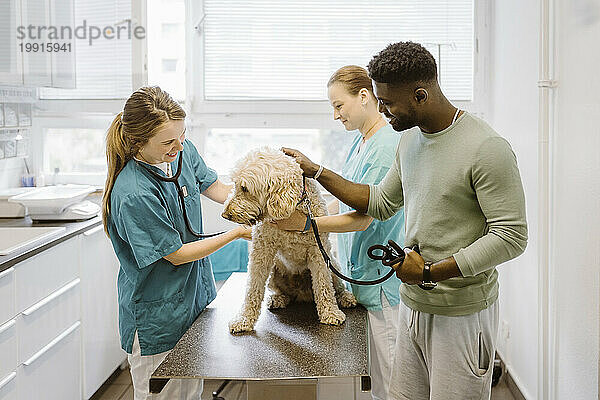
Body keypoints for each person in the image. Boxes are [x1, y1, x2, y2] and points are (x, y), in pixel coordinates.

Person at [282, 42, 528, 400]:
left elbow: (512, 235)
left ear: (420, 95)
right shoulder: (409, 139)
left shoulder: (486, 147)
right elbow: (381, 202)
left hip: (461, 314)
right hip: (413, 303)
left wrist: (431, 272)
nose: (382, 110)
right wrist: (317, 171)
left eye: (388, 102)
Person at [102, 86, 251, 400]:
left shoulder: (181, 150)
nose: (179, 145)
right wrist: (237, 233)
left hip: (192, 302)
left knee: (191, 392)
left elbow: (217, 189)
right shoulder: (133, 192)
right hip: (158, 314)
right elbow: (177, 255)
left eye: (182, 135)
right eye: (168, 141)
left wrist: (256, 209)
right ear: (138, 142)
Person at [274, 65, 405, 400]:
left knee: (391, 385)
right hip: (360, 276)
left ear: (364, 97)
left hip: (381, 285)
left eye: (338, 105)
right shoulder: (361, 142)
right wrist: (308, 214)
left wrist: (306, 225)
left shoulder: (385, 147)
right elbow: (344, 204)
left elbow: (363, 218)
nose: (335, 116)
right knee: (376, 382)